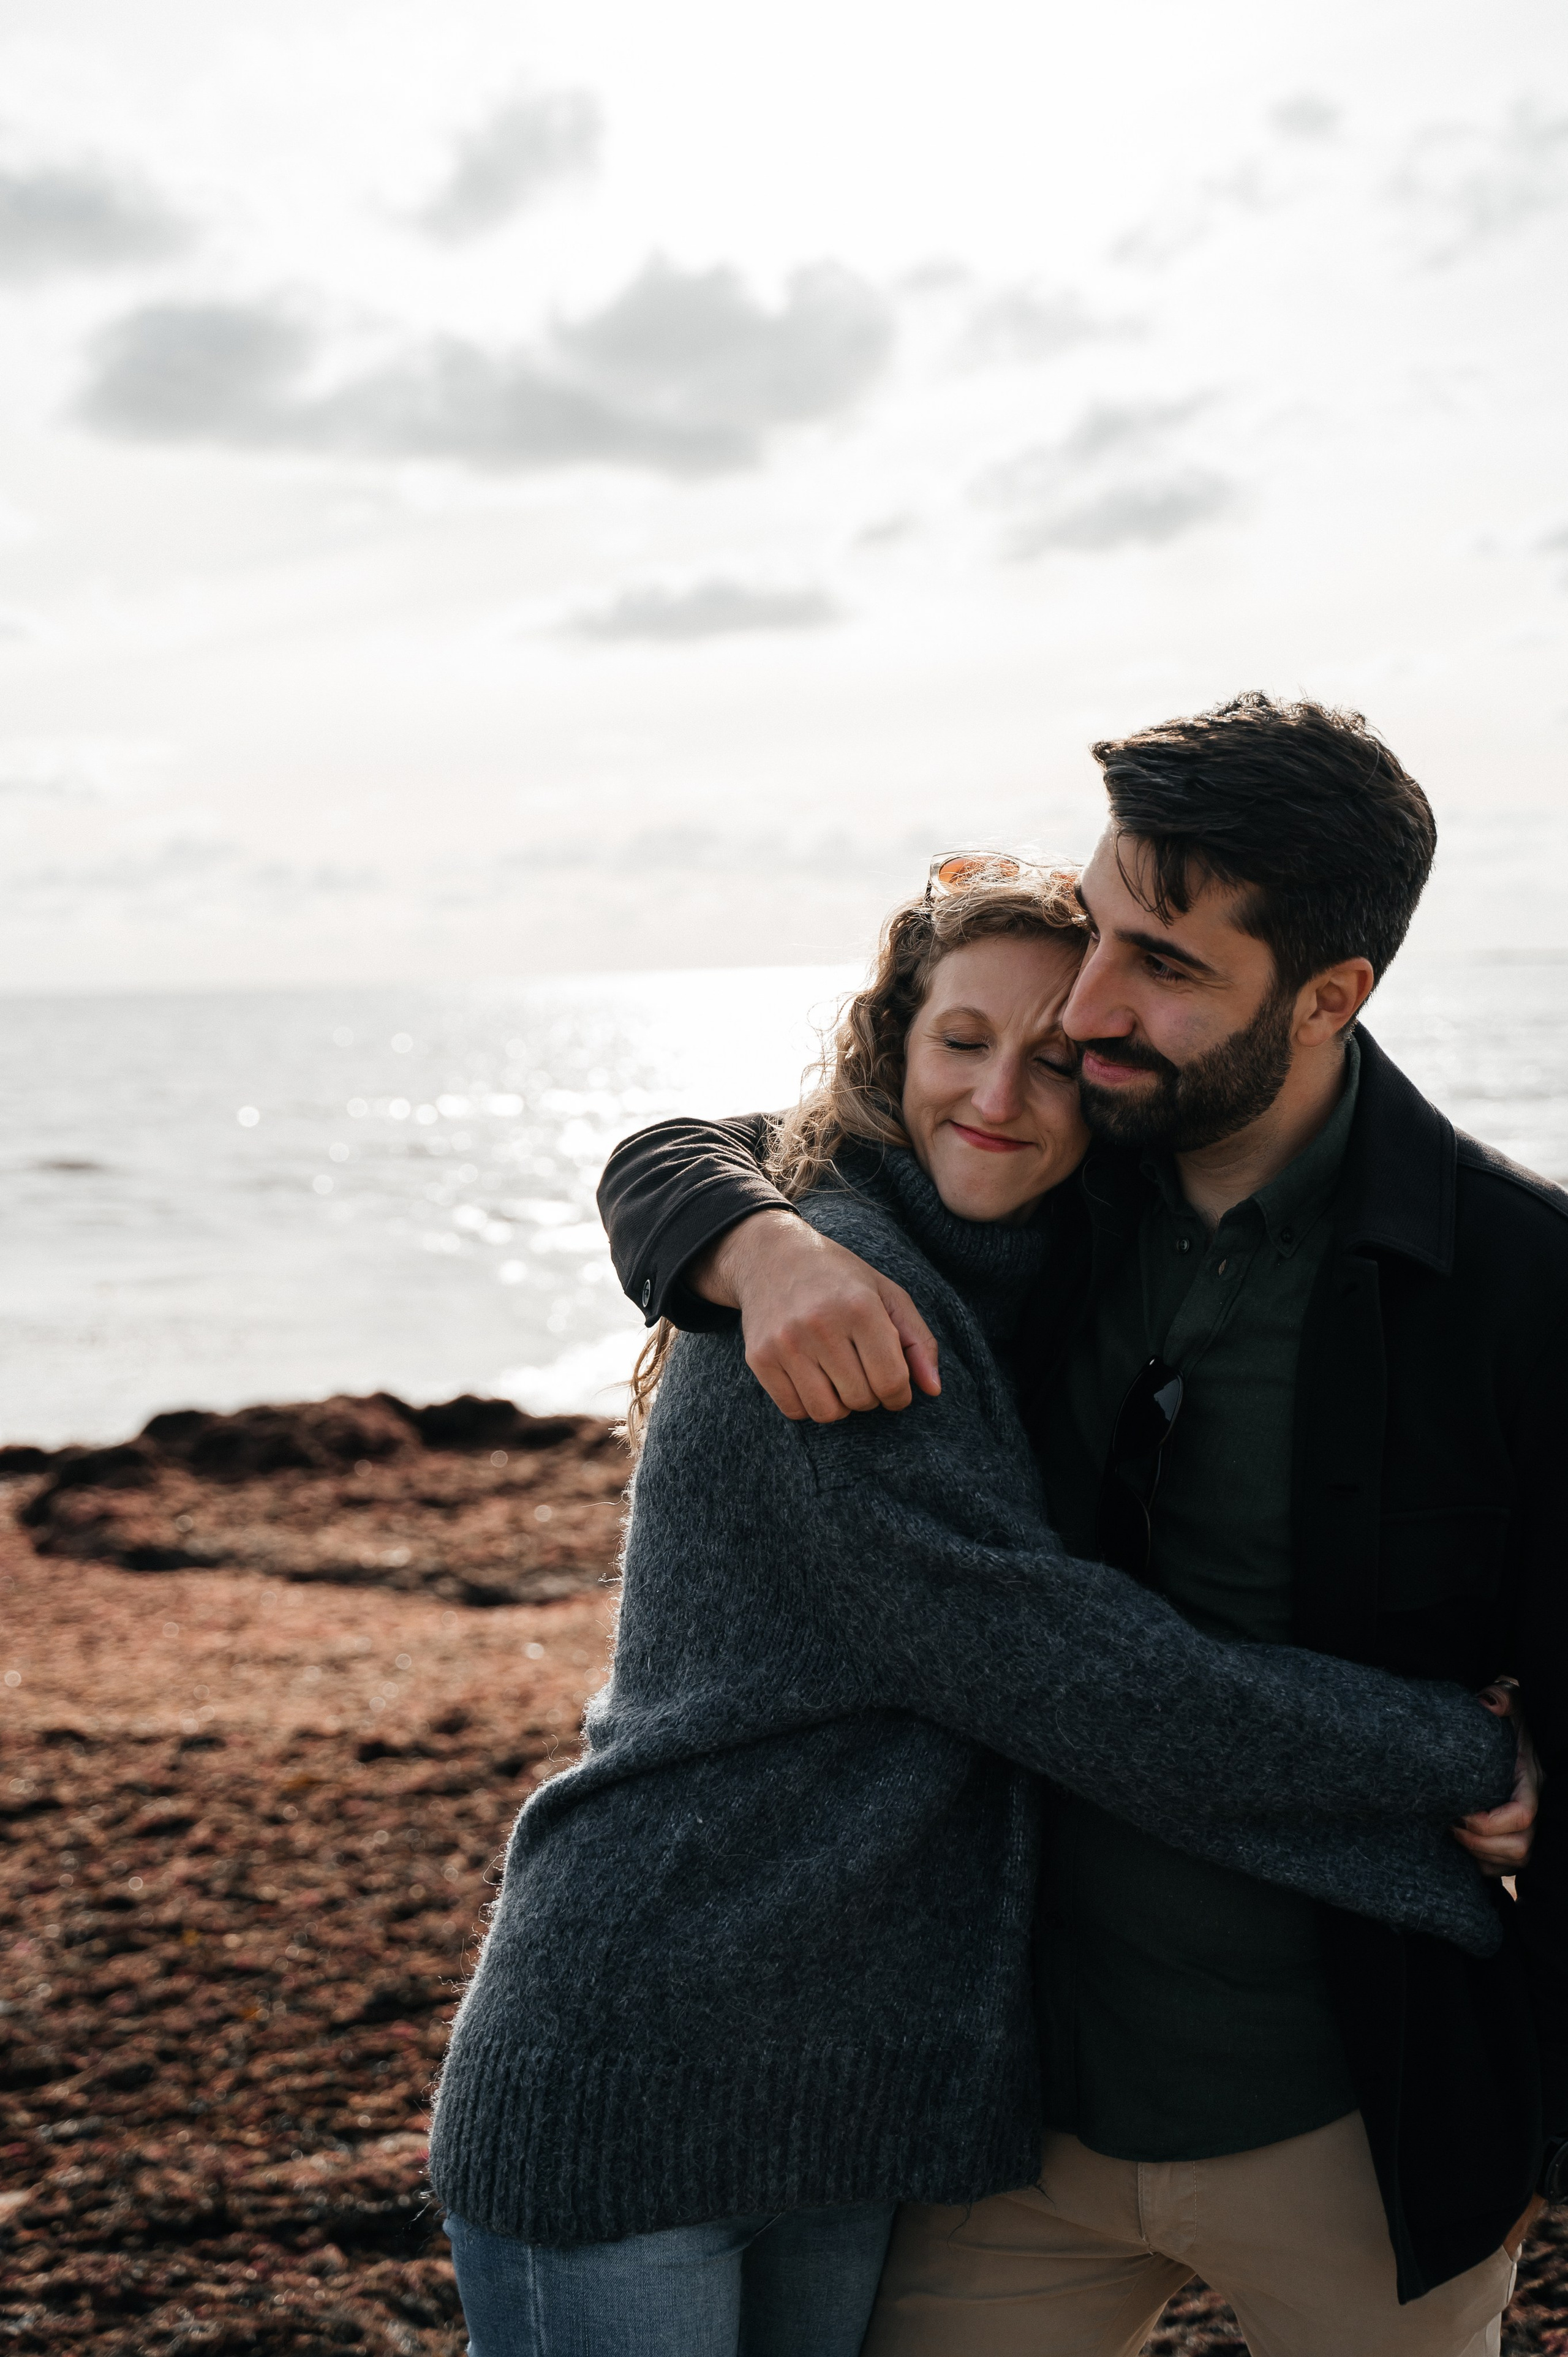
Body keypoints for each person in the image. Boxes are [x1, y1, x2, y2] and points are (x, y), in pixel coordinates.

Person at [431, 851, 1527, 2357]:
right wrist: (1463, 1760)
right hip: (642, 2046)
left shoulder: (1049, 1265)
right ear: (893, 1053)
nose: (1000, 1095)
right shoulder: (842, 1310)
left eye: (1055, 1057)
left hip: (854, 2086)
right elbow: (1065, 1669)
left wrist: (732, 1218)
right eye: (960, 1043)